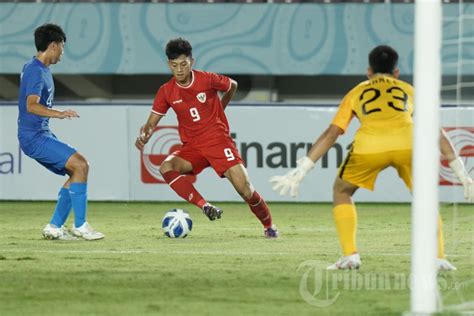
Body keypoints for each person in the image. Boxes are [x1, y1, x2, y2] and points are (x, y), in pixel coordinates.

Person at [270, 45, 473, 270]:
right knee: (426, 199)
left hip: (369, 147)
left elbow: (333, 133)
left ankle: (350, 256)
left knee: (342, 191)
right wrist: (461, 172)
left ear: (368, 71)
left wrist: (303, 168)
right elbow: (436, 131)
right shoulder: (408, 89)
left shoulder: (357, 92)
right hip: (408, 145)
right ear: (396, 72)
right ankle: (438, 257)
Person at [135, 38, 278, 238]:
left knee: (245, 190)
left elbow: (232, 85)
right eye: (174, 65)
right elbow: (152, 121)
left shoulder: (207, 79)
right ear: (169, 64)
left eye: (183, 64)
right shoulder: (166, 91)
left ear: (191, 62)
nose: (179, 70)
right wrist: (146, 133)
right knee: (166, 167)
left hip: (218, 141)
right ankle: (205, 206)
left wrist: (221, 107)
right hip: (192, 147)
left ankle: (269, 226)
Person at [18, 23, 104, 241]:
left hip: (40, 133)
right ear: (53, 45)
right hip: (34, 137)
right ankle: (81, 225)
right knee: (81, 165)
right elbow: (31, 105)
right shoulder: (36, 70)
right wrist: (59, 113)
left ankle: (55, 227)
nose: (63, 52)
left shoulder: (38, 68)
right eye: (62, 47)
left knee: (76, 171)